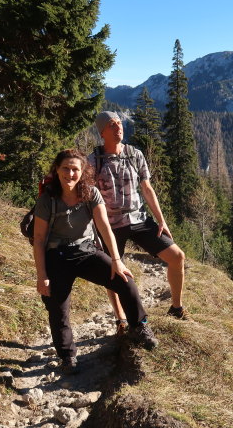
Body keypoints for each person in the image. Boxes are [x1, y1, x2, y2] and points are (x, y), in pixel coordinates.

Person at [33, 149, 158, 375]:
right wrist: (42, 276)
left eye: (75, 170)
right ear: (57, 170)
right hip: (56, 256)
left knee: (125, 282)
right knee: (57, 308)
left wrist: (116, 261)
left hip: (86, 251)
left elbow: (104, 227)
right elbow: (39, 239)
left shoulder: (90, 194)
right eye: (66, 169)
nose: (70, 174)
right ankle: (67, 357)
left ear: (82, 172)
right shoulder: (47, 200)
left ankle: (139, 327)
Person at [88, 111, 189, 334]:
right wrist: (91, 229)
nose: (118, 127)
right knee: (113, 273)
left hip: (139, 219)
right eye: (112, 125)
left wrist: (161, 220)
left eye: (119, 123)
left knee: (177, 257)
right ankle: (121, 320)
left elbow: (147, 189)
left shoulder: (135, 154)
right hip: (110, 225)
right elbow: (87, 197)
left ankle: (176, 307)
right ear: (102, 132)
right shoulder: (93, 160)